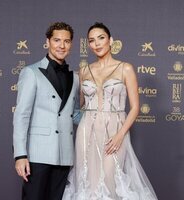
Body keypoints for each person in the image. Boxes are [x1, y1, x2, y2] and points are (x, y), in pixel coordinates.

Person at [62, 22, 158, 199]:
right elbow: (80, 106)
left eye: (101, 38)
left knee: (109, 180)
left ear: (110, 40)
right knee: (87, 181)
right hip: (86, 130)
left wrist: (121, 134)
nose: (97, 43)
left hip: (115, 130)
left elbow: (135, 108)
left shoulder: (125, 68)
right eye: (92, 40)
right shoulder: (84, 70)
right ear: (88, 45)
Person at [13, 22, 79, 200]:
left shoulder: (75, 77)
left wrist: (101, 115)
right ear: (47, 41)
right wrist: (20, 155)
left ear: (71, 44)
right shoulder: (31, 72)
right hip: (38, 155)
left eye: (66, 41)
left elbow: (75, 114)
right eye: (57, 40)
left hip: (65, 155)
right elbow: (21, 115)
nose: (61, 45)